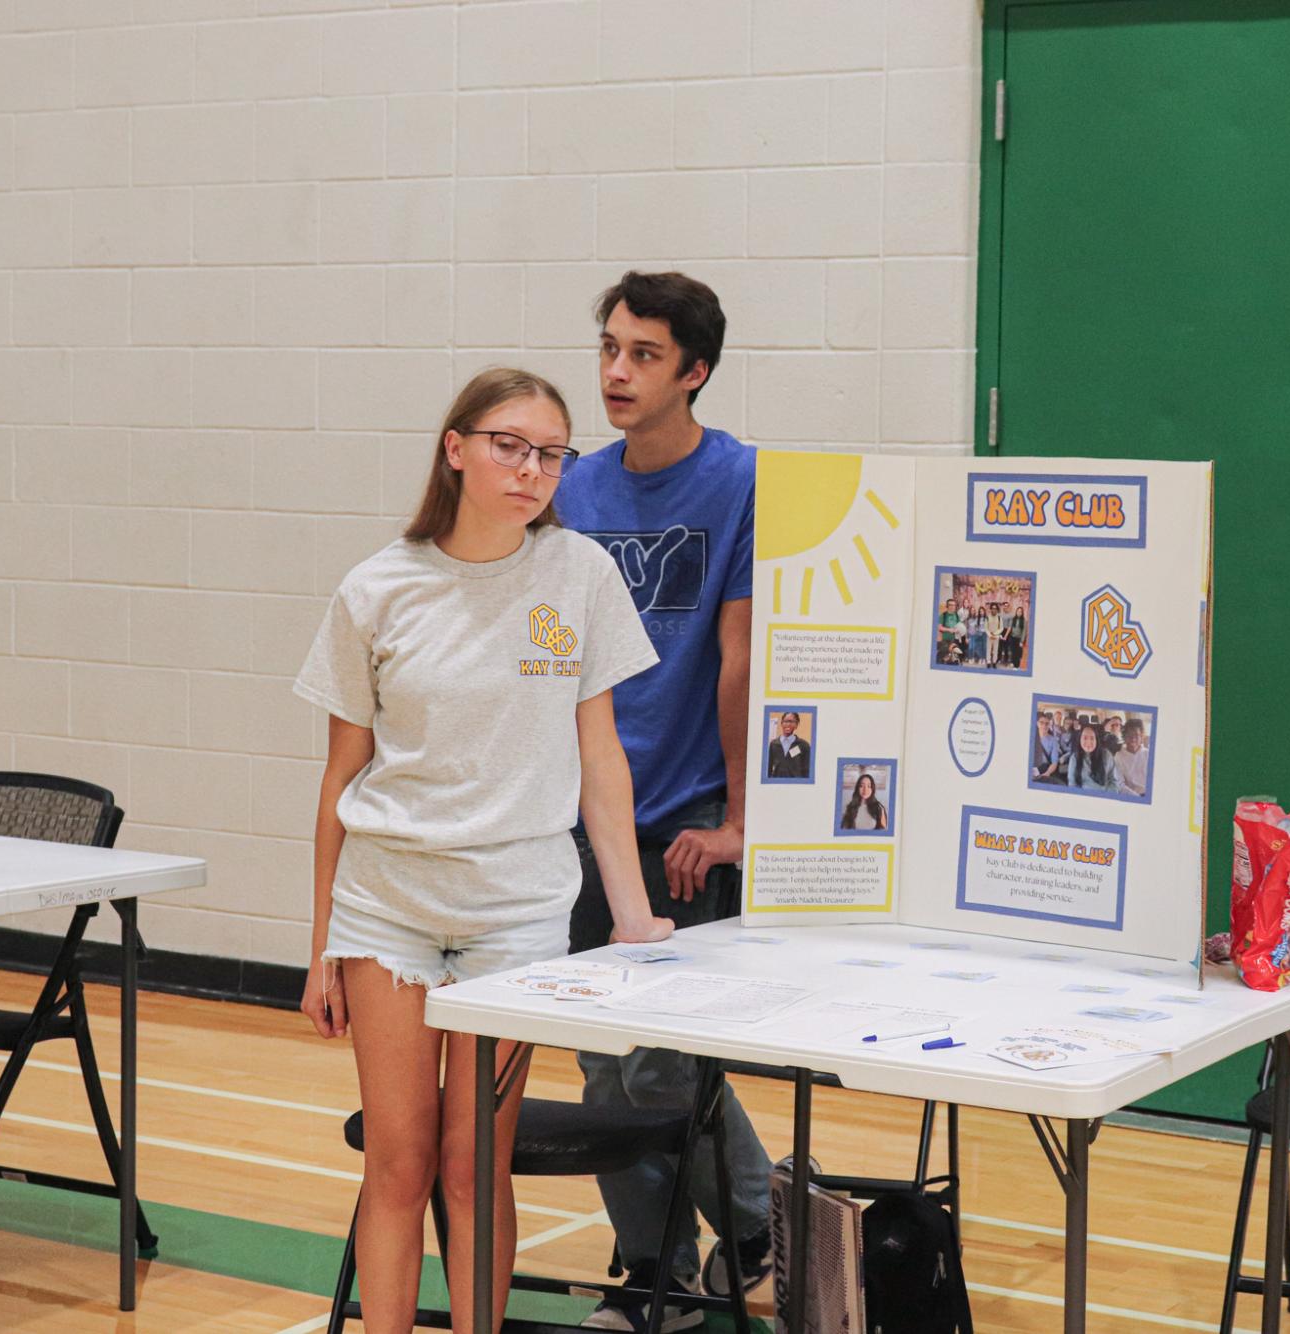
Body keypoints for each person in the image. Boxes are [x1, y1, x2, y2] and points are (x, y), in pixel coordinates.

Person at [295, 367, 675, 1334]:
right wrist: (321, 943)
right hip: (386, 910)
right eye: (510, 445)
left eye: (551, 453)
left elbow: (602, 763)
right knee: (398, 1164)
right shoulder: (376, 588)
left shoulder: (580, 574)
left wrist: (631, 916)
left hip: (518, 914)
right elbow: (341, 780)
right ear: (455, 446)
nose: (532, 470)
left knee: (475, 1167)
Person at [553, 271, 776, 1331]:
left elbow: (739, 660)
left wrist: (733, 818)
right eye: (608, 347)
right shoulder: (576, 488)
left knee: (664, 1059)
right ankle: (662, 1270)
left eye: (642, 354)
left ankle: (740, 1221)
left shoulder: (738, 480)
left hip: (686, 820)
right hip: (587, 816)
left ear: (693, 370)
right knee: (603, 1058)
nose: (615, 370)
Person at [1066, 721, 1116, 792]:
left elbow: (1114, 781)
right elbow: (1072, 784)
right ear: (1080, 739)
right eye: (1085, 738)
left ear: (1097, 740)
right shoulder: (1074, 757)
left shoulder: (1107, 755)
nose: (1089, 742)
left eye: (1092, 738)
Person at [766, 710, 810, 779]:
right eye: (785, 721)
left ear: (796, 725)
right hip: (777, 784)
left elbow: (807, 770)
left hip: (795, 784)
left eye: (791, 722)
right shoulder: (773, 744)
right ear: (781, 723)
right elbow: (768, 768)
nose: (788, 724)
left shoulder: (804, 745)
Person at [1115, 717, 1151, 797]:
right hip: (1132, 796)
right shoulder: (1119, 756)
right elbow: (1119, 785)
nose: (1133, 738)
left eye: (1136, 735)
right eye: (1129, 735)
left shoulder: (1148, 754)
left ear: (1141, 736)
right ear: (1124, 736)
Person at [1030, 713, 1063, 784]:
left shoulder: (1053, 740)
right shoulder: (1031, 736)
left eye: (1047, 723)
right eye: (1041, 723)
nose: (1044, 725)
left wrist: (1047, 773)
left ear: (1049, 725)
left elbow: (1054, 763)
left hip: (1045, 769)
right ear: (1037, 723)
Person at [1003, 599, 1027, 669]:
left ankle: (1017, 665)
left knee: (1018, 653)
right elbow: (1010, 627)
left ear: (1022, 613)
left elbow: (1024, 631)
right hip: (1012, 637)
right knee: (1013, 652)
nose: (1019, 612)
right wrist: (1006, 636)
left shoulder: (1024, 621)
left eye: (1020, 611)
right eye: (1018, 611)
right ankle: (1013, 663)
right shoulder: (1013, 619)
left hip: (1019, 639)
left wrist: (1022, 641)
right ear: (1016, 612)